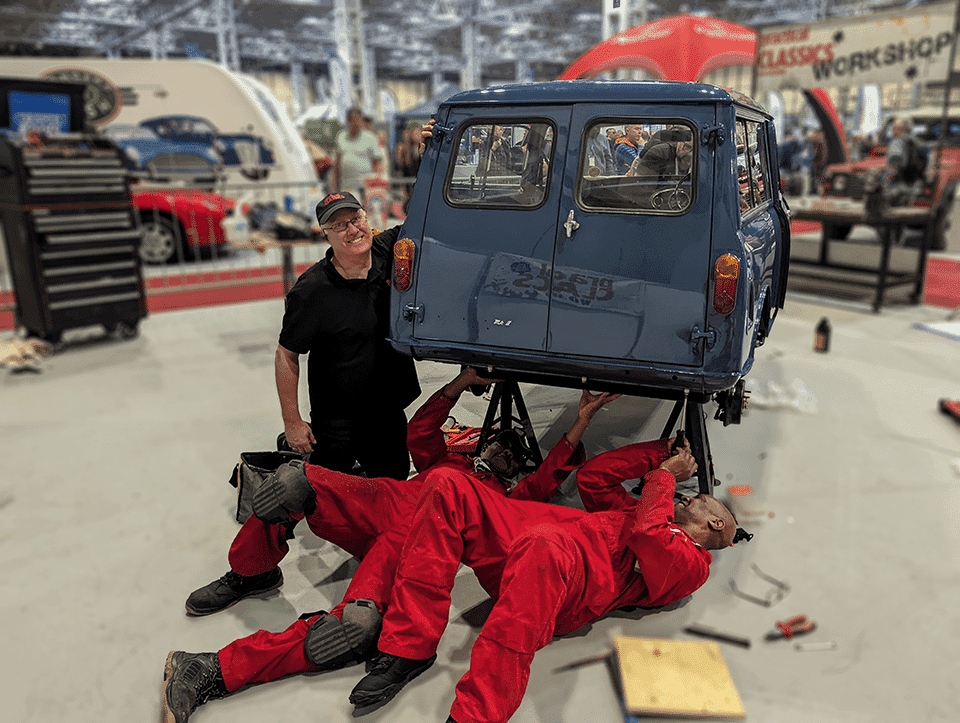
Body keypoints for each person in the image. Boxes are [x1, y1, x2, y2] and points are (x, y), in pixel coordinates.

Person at [161, 368, 619, 723]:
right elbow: (419, 431)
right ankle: (251, 570)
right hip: (379, 501)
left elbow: (546, 479)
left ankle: (210, 668)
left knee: (353, 629)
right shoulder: (446, 461)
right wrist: (461, 382)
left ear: (514, 471)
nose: (506, 452)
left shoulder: (500, 500)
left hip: (409, 544)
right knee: (291, 482)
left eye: (514, 456)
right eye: (500, 444)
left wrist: (581, 421)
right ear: (482, 444)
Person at [348, 437, 744, 723]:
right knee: (446, 484)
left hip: (561, 580)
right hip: (525, 541)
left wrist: (664, 476)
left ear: (715, 523)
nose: (686, 497)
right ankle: (409, 646)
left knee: (544, 544)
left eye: (697, 500)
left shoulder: (692, 566)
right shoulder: (640, 512)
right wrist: (659, 451)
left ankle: (476, 715)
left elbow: (650, 536)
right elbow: (595, 479)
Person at [275, 189, 419, 481]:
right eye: (339, 225)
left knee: (393, 492)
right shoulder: (311, 291)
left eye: (356, 219)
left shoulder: (386, 251)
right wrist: (292, 421)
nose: (353, 230)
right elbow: (285, 355)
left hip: (388, 414)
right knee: (333, 499)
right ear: (325, 234)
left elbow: (423, 217)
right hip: (337, 422)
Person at [332, 106, 385, 201]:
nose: (356, 123)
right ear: (348, 121)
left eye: (358, 120)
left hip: (367, 189)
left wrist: (377, 184)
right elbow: (337, 165)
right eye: (353, 120)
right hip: (347, 188)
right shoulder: (341, 137)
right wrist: (334, 190)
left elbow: (377, 164)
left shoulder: (370, 138)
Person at [629, 128, 694, 182]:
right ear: (679, 143)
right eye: (687, 147)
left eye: (695, 149)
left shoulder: (697, 160)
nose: (691, 154)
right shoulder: (658, 154)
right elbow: (642, 186)